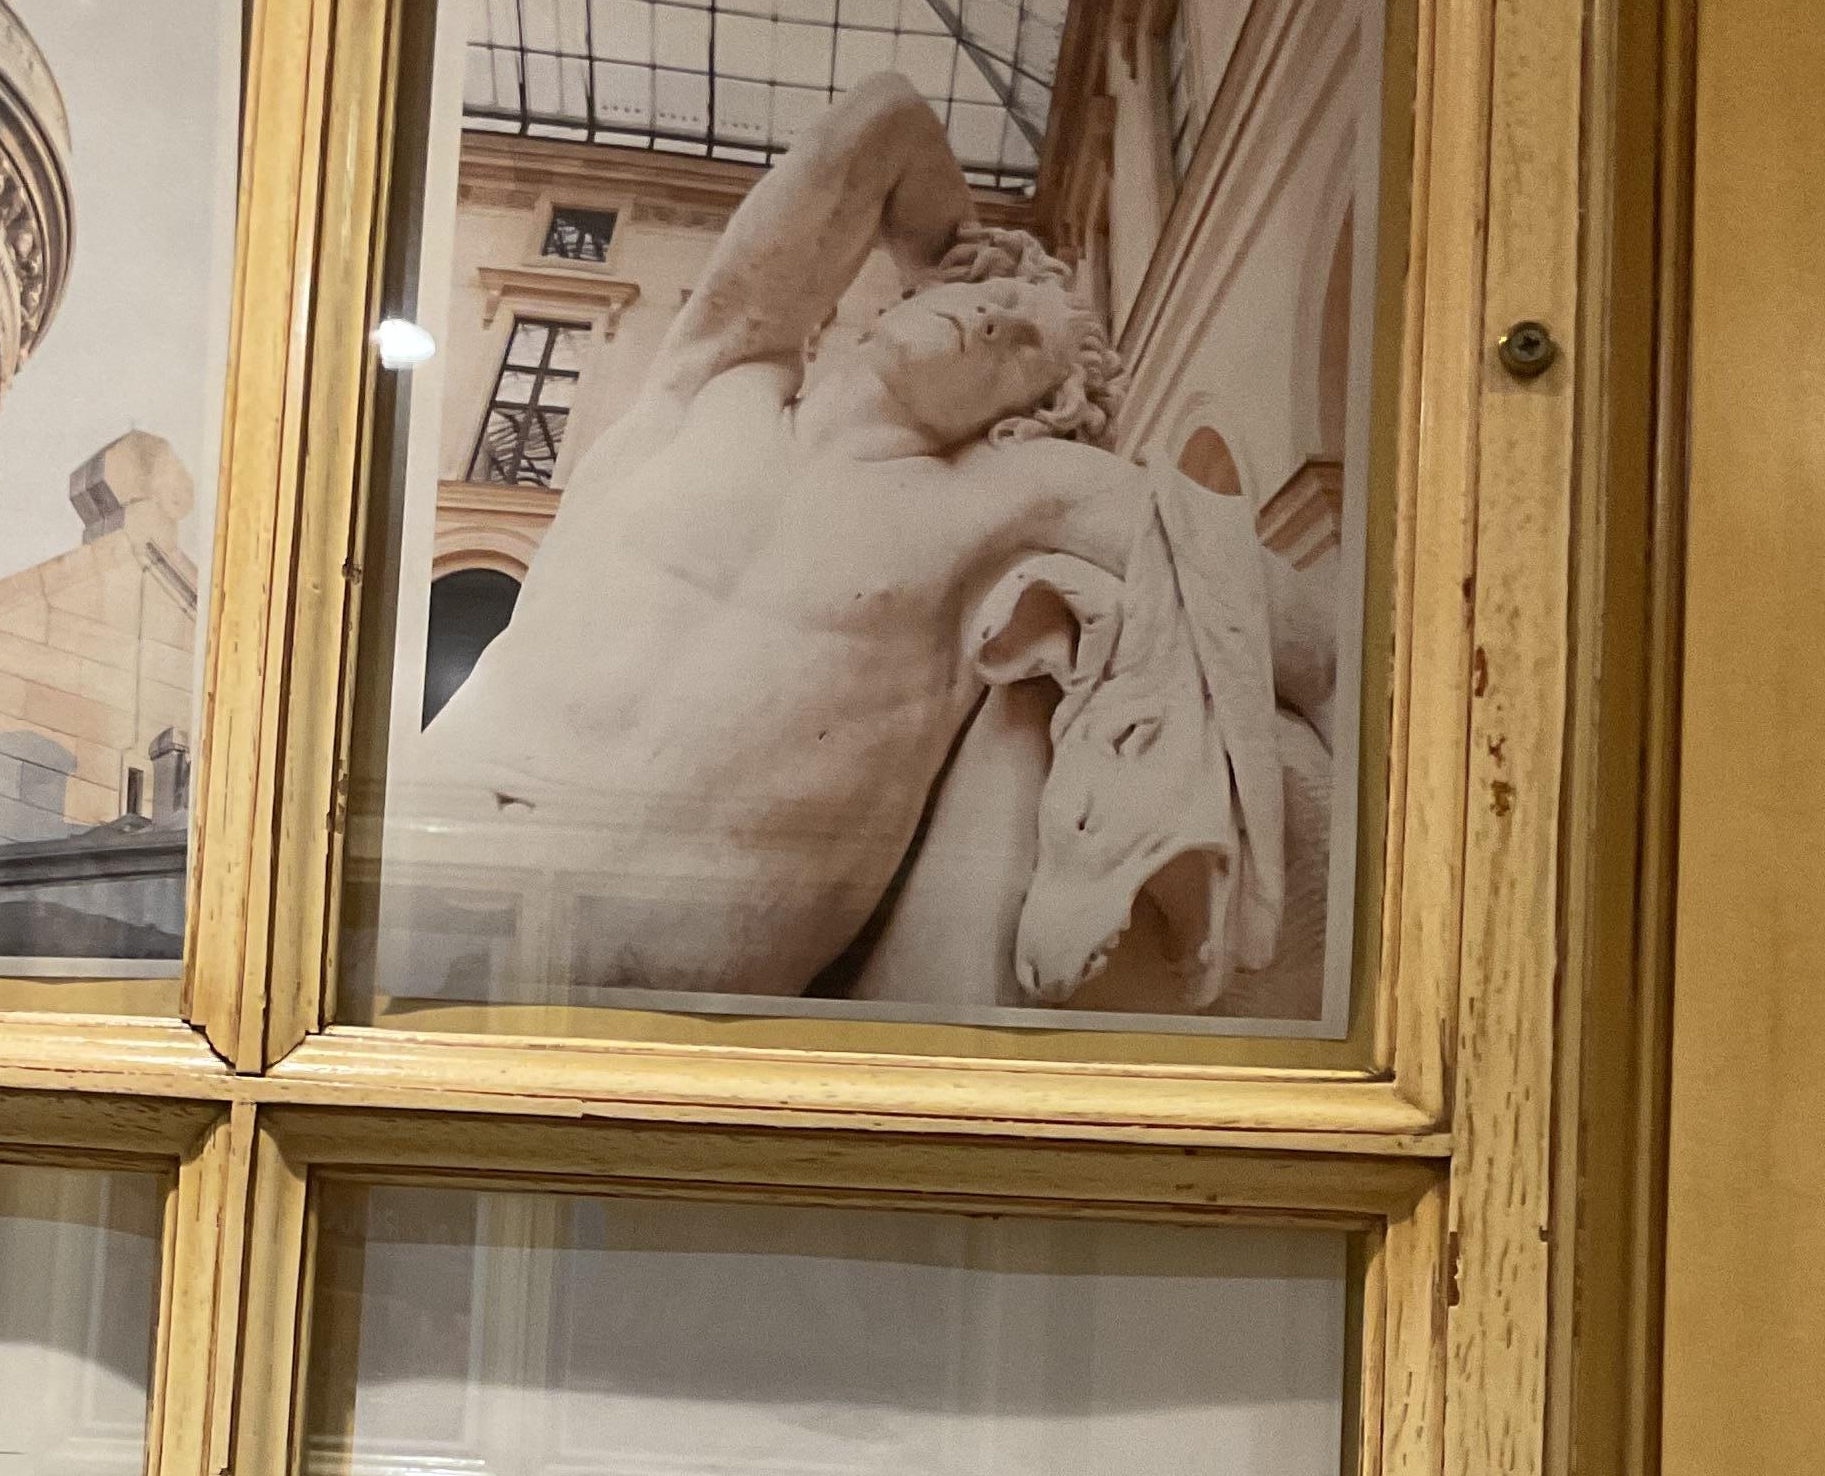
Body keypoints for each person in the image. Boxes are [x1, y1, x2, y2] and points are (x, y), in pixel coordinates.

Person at [384, 67, 1294, 1014]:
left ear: (1030, 418)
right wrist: (971, 255)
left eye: (1027, 346)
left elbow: (1265, 604)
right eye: (994, 297)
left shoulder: (1001, 502)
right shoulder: (712, 381)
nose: (996, 317)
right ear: (906, 295)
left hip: (658, 990)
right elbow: (884, 118)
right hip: (430, 858)